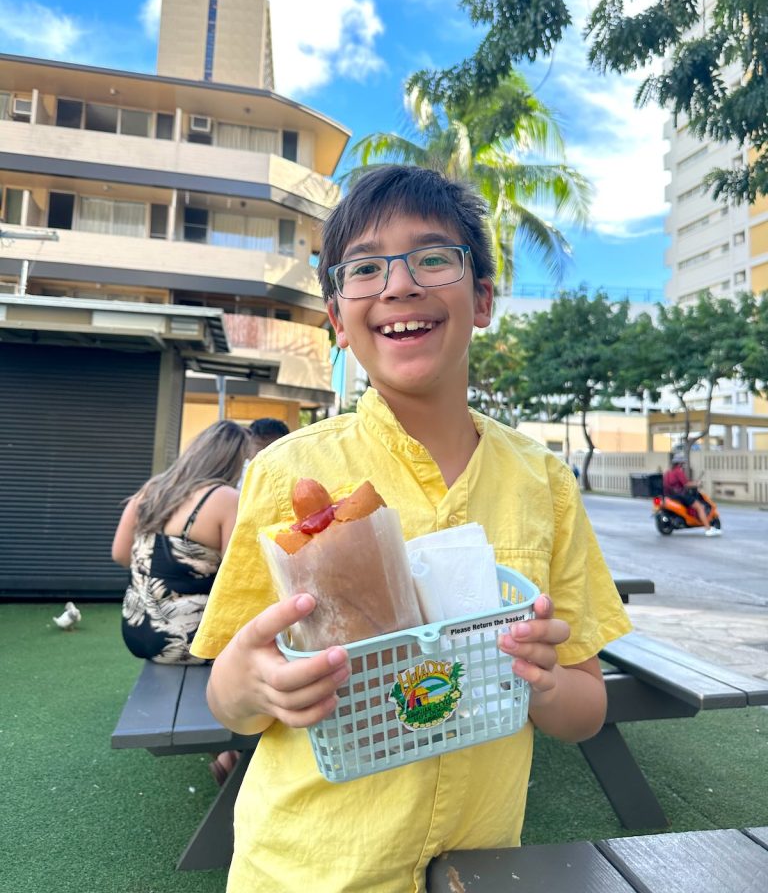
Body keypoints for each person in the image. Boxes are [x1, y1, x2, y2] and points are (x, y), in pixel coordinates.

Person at [190, 165, 632, 893]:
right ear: (336, 319)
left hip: (478, 871)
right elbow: (226, 691)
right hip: (309, 869)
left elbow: (586, 705)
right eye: (365, 268)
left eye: (433, 257)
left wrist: (546, 685)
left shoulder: (543, 482)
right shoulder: (282, 472)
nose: (398, 285)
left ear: (482, 298)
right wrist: (258, 685)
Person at [111, 419, 249, 665]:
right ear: (235, 462)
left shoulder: (152, 490)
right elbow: (236, 580)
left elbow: (120, 554)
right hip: (188, 641)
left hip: (135, 631)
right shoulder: (226, 498)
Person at [662, 452, 719, 536]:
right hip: (680, 495)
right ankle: (708, 529)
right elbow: (686, 484)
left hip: (669, 495)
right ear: (680, 463)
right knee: (700, 507)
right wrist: (696, 483)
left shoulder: (668, 472)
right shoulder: (678, 471)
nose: (683, 464)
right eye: (682, 463)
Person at [238, 417, 290, 489]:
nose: (264, 455)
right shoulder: (236, 475)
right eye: (259, 446)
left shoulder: (292, 476)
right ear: (247, 447)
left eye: (270, 448)